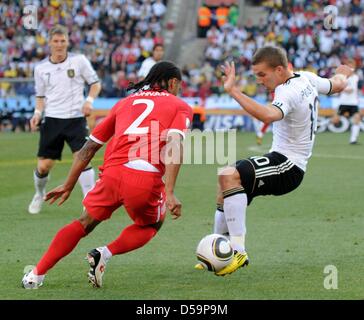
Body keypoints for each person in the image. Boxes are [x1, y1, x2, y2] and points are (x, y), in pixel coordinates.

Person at [22, 61, 193, 289]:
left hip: (111, 174)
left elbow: (88, 148)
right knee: (151, 225)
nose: (178, 90)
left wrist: (68, 184)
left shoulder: (123, 104)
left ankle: (36, 274)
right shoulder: (180, 105)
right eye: (178, 86)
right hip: (143, 178)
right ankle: (105, 253)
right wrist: (169, 192)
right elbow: (173, 144)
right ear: (173, 82)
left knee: (85, 222)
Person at [195, 46, 352, 276]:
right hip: (281, 160)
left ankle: (238, 251)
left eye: (262, 75)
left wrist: (233, 91)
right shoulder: (306, 77)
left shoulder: (286, 91)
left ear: (279, 69)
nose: (259, 80)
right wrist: (343, 73)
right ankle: (219, 250)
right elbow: (336, 85)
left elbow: (269, 115)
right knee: (225, 184)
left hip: (289, 166)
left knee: (229, 175)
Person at [28, 25, 101, 214]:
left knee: (82, 158)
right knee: (44, 166)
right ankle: (39, 193)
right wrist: (37, 113)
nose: (59, 45)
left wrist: (89, 101)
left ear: (68, 42)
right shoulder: (41, 68)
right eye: (56, 41)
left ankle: (89, 201)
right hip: (52, 119)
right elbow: (40, 96)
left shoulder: (79, 61)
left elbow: (95, 84)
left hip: (76, 119)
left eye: (63, 41)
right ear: (50, 43)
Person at [331, 59, 361, 144]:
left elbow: (351, 90)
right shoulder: (342, 77)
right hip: (343, 102)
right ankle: (317, 127)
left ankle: (353, 140)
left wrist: (343, 88)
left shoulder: (355, 77)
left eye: (352, 66)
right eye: (349, 66)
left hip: (353, 103)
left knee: (357, 119)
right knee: (334, 120)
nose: (351, 68)